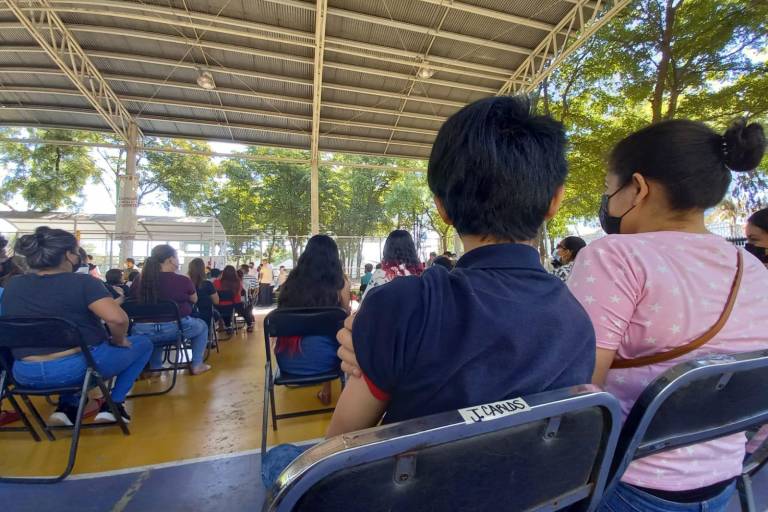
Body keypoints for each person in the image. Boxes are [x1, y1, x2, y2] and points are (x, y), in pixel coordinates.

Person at [264, 96, 596, 487]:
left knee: (278, 460)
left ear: (442, 207)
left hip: (413, 493)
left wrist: (376, 342)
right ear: (555, 201)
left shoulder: (401, 306)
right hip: (527, 493)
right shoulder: (578, 321)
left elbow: (339, 447)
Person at [565, 118, 767, 511]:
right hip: (722, 485)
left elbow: (579, 391)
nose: (608, 202)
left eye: (610, 190)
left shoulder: (615, 256)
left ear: (638, 188)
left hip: (625, 485)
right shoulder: (752, 267)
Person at [1, 226, 152, 425]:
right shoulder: (84, 283)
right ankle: (114, 405)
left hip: (24, 373)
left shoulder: (12, 285)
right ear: (68, 255)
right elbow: (118, 319)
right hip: (75, 369)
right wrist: (119, 340)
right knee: (142, 344)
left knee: (85, 351)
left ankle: (68, 408)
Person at [274, 234, 351, 407]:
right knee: (339, 331)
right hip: (330, 361)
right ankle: (331, 390)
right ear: (334, 257)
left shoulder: (290, 283)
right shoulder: (340, 284)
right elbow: (344, 317)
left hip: (287, 361)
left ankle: (324, 389)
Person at [129, 244, 211, 375]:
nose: (178, 260)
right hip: (175, 329)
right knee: (202, 326)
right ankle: (197, 364)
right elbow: (194, 299)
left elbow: (131, 299)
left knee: (156, 336)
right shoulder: (183, 280)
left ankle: (155, 367)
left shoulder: (139, 280)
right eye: (177, 257)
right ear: (170, 259)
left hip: (142, 331)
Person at [360, 230, 424, 301]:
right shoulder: (421, 276)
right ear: (412, 249)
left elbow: (364, 304)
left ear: (387, 249)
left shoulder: (380, 276)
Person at [214, 265, 255, 333]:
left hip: (220, 305)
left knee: (225, 309)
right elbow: (240, 292)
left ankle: (228, 326)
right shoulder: (238, 282)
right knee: (243, 309)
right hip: (235, 304)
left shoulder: (217, 282)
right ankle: (249, 325)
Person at [188, 257, 219, 335]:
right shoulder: (207, 284)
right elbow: (216, 301)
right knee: (216, 314)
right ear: (203, 270)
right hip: (205, 316)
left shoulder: (185, 284)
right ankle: (209, 336)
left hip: (188, 315)